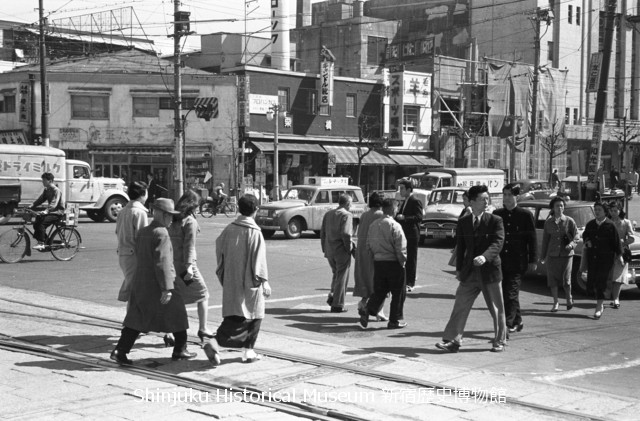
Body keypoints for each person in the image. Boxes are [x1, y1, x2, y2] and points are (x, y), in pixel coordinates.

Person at [110, 198, 195, 365]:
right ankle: (180, 349)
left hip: (142, 282)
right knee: (178, 314)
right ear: (162, 215)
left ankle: (120, 350)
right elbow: (162, 262)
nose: (171, 219)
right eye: (170, 216)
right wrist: (167, 288)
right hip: (159, 283)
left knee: (137, 318)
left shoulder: (144, 231)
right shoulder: (161, 233)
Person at [435, 185, 507, 353]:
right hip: (470, 272)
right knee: (460, 305)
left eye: (487, 199)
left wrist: (485, 256)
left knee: (496, 308)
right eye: (483, 199)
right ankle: (453, 340)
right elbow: (461, 247)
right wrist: (459, 269)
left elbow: (498, 242)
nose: (486, 202)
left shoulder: (495, 220)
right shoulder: (463, 222)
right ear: (472, 202)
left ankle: (499, 341)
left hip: (490, 272)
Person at [204, 194, 271, 365]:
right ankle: (227, 345)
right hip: (249, 279)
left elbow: (219, 249)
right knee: (255, 313)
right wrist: (264, 281)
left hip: (231, 277)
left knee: (236, 313)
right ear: (256, 210)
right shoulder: (254, 231)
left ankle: (244, 349)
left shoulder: (229, 228)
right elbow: (259, 260)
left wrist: (224, 271)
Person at [169, 190, 214, 342]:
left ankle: (169, 332)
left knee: (174, 298)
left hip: (171, 265)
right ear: (193, 206)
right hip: (186, 267)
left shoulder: (172, 219)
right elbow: (189, 245)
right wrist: (188, 266)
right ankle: (203, 328)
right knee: (203, 294)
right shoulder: (189, 221)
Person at [493, 183, 537, 333]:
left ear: (516, 196)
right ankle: (518, 320)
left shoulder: (525, 215)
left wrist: (533, 260)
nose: (506, 198)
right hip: (501, 261)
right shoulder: (498, 214)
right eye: (504, 195)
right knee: (506, 292)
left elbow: (532, 239)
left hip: (518, 261)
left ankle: (508, 324)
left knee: (510, 293)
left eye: (509, 195)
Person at [359, 198, 408, 330]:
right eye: (397, 208)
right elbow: (401, 247)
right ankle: (394, 320)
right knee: (398, 293)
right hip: (393, 262)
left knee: (380, 291)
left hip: (378, 261)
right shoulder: (395, 225)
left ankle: (368, 309)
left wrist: (375, 255)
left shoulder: (374, 225)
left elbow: (368, 244)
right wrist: (402, 261)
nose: (397, 210)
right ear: (393, 209)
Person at [583, 201, 622, 319]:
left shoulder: (610, 225)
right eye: (595, 210)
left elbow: (616, 242)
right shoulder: (590, 224)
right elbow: (585, 235)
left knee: (602, 282)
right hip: (593, 258)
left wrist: (620, 255)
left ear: (605, 212)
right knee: (593, 282)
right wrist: (587, 241)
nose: (597, 212)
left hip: (606, 260)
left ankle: (599, 307)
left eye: (599, 210)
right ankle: (599, 304)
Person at [540, 196, 578, 312]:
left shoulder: (569, 221)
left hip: (566, 255)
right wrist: (543, 256)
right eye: (557, 206)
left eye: (561, 205)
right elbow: (545, 241)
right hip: (552, 255)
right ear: (552, 208)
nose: (560, 208)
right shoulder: (548, 223)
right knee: (553, 280)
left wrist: (571, 245)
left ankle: (568, 299)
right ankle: (556, 302)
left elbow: (576, 236)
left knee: (566, 280)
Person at [353, 192, 387, 321]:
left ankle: (363, 303)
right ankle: (379, 310)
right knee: (380, 283)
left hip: (362, 251)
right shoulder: (380, 215)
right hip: (374, 252)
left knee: (367, 281)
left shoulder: (365, 215)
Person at [115, 181, 149, 302]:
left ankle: (133, 318)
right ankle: (132, 319)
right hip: (134, 255)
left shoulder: (122, 211)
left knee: (133, 288)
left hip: (123, 254)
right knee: (136, 290)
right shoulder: (139, 212)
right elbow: (142, 237)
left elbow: (117, 232)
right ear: (143, 194)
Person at [320, 194, 355, 313]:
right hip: (341, 250)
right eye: (351, 204)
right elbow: (346, 234)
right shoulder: (347, 215)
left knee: (336, 274)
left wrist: (324, 248)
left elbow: (323, 232)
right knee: (341, 277)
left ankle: (333, 296)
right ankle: (338, 304)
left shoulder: (329, 214)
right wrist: (349, 248)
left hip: (330, 250)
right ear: (347, 204)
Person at [395, 179, 423, 292]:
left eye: (402, 188)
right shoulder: (405, 200)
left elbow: (419, 217)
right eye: (399, 188)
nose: (400, 191)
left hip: (412, 234)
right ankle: (404, 280)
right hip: (404, 234)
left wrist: (405, 218)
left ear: (409, 189)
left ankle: (410, 283)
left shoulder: (415, 200)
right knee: (404, 258)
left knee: (411, 259)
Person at [608, 202, 634, 309]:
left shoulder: (626, 222)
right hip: (608, 253)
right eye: (611, 211)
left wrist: (622, 242)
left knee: (618, 278)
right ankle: (612, 297)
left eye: (615, 210)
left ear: (620, 210)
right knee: (610, 277)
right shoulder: (607, 222)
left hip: (621, 253)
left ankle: (616, 299)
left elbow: (632, 238)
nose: (613, 213)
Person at [30, 172, 65, 250]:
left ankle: (41, 243)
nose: (42, 182)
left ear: (50, 181)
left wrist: (46, 211)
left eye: (44, 180)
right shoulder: (47, 189)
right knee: (36, 224)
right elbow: (41, 199)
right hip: (51, 212)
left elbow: (54, 203)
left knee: (41, 224)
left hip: (57, 213)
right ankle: (47, 241)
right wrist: (32, 205)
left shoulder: (56, 190)